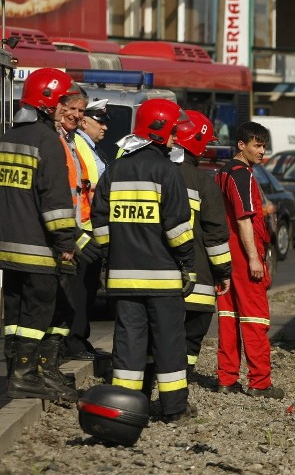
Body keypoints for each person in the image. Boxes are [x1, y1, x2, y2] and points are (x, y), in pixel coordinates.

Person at [90, 98, 197, 423]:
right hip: (162, 280)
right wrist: (187, 264)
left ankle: (125, 408)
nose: (178, 138)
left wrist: (111, 256)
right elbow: (178, 229)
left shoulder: (115, 170)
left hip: (123, 279)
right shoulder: (167, 171)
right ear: (161, 131)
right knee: (168, 344)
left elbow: (100, 223)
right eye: (175, 132)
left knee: (128, 344)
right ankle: (174, 408)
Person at [0, 68, 79, 400]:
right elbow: (55, 201)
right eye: (63, 101)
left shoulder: (6, 138)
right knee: (38, 311)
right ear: (49, 102)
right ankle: (24, 374)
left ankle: (12, 371)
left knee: (14, 312)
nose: (66, 108)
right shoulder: (48, 141)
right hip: (37, 247)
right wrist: (66, 242)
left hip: (7, 246)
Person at [214, 121, 284, 398]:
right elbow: (244, 220)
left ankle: (227, 378)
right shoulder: (241, 174)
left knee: (229, 316)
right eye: (257, 145)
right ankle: (259, 382)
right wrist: (254, 259)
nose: (262, 151)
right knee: (255, 318)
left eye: (264, 145)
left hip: (226, 254)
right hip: (244, 256)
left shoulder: (223, 173)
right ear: (241, 145)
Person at [172, 110, 232, 375]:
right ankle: (180, 382)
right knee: (192, 336)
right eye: (205, 142)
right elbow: (215, 234)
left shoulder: (153, 172)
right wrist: (223, 272)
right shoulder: (203, 183)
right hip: (197, 279)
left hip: (159, 277)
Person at [57, 95, 108, 361]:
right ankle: (73, 343)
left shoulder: (82, 144)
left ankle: (80, 339)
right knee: (77, 291)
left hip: (86, 227)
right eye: (99, 120)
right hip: (79, 229)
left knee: (85, 290)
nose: (105, 127)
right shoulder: (75, 142)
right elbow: (90, 186)